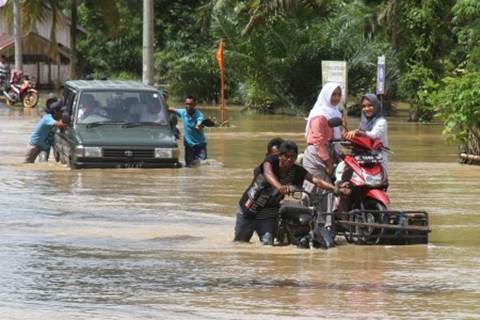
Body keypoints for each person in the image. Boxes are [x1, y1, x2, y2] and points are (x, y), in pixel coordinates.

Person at [234, 140, 349, 245]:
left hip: (268, 214)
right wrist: (279, 187)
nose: (289, 160)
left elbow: (316, 181)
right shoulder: (271, 162)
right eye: (286, 156)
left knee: (268, 245)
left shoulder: (296, 171)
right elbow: (268, 174)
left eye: (293, 157)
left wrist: (336, 189)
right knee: (240, 244)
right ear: (279, 156)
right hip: (248, 210)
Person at [303, 82, 344, 182]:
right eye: (333, 94)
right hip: (317, 155)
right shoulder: (319, 115)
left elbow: (336, 136)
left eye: (339, 94)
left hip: (329, 152)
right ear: (326, 95)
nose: (337, 98)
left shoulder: (335, 112)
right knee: (319, 188)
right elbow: (318, 141)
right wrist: (329, 163)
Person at [344, 93, 389, 172]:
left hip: (378, 159)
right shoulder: (363, 122)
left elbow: (374, 135)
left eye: (370, 105)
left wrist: (357, 132)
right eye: (364, 106)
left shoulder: (381, 121)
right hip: (363, 158)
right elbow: (360, 139)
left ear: (376, 106)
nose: (366, 108)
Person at [168, 96, 207, 166]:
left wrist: (198, 126)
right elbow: (172, 110)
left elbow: (199, 122)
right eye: (187, 104)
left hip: (200, 146)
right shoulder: (183, 112)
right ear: (184, 104)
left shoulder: (199, 115)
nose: (188, 106)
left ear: (195, 105)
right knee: (189, 166)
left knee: (203, 166)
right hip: (189, 146)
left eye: (191, 104)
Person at [24, 98, 65, 163]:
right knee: (27, 163)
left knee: (43, 163)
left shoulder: (57, 118)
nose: (63, 113)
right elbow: (60, 124)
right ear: (55, 112)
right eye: (61, 112)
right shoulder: (47, 118)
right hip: (35, 144)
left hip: (45, 147)